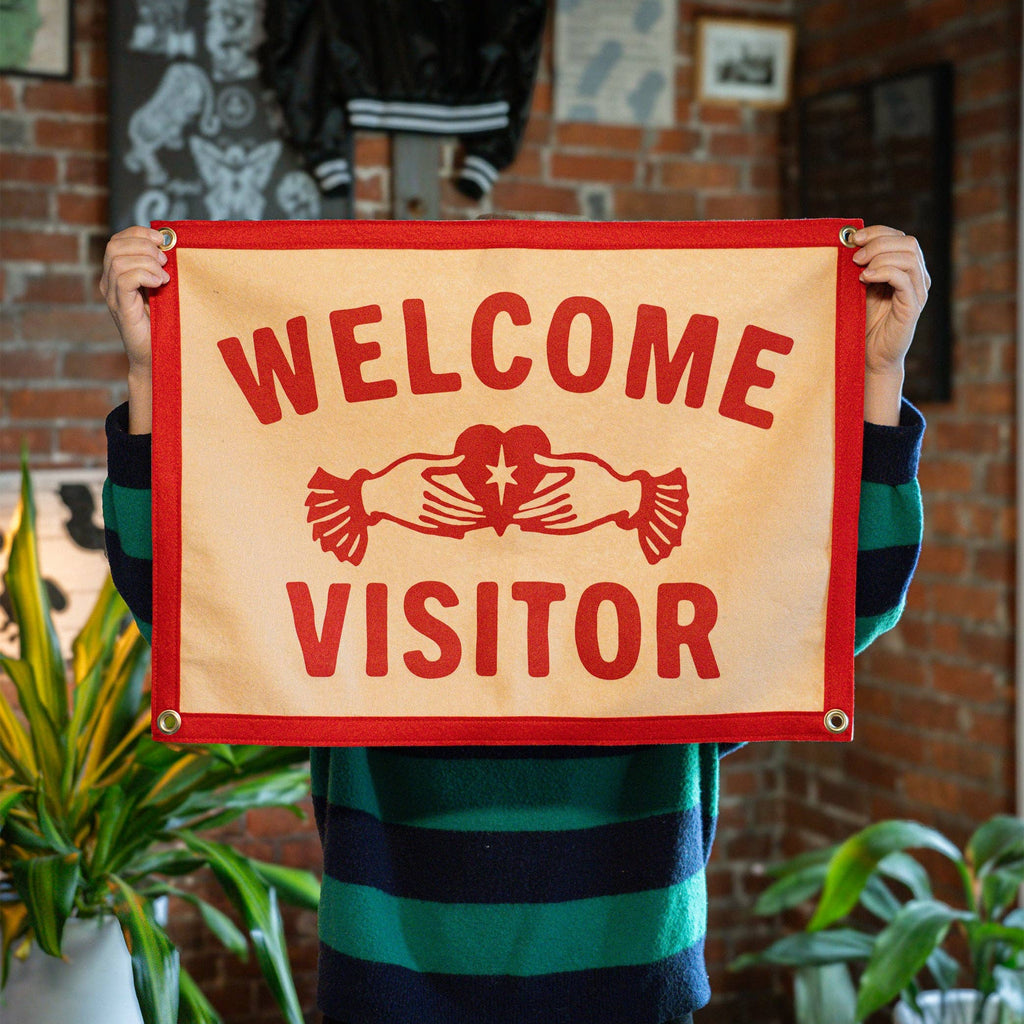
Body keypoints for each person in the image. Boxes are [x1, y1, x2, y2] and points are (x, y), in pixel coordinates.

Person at [101, 223, 928, 1024]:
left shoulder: (685, 562)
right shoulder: (363, 563)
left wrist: (875, 374)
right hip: (393, 987)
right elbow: (187, 608)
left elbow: (844, 602)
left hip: (629, 982)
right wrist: (150, 373)